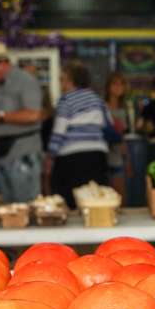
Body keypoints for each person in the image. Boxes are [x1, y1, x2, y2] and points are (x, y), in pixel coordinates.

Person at [0, 42, 43, 203]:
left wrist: (0, 116)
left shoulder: (24, 81)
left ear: (3, 63)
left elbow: (34, 115)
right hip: (3, 154)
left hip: (22, 153)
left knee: (25, 205)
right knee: (10, 206)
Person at [47, 61, 111, 208]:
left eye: (62, 79)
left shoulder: (66, 100)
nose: (60, 83)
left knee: (69, 200)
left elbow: (59, 130)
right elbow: (106, 124)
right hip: (97, 155)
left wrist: (51, 154)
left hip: (71, 158)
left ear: (70, 80)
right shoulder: (97, 99)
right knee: (96, 199)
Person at [105, 72, 133, 197]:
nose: (118, 87)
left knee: (120, 197)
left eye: (121, 84)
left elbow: (122, 138)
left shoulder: (124, 109)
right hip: (103, 157)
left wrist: (127, 161)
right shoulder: (102, 107)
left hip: (117, 159)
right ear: (108, 86)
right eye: (115, 84)